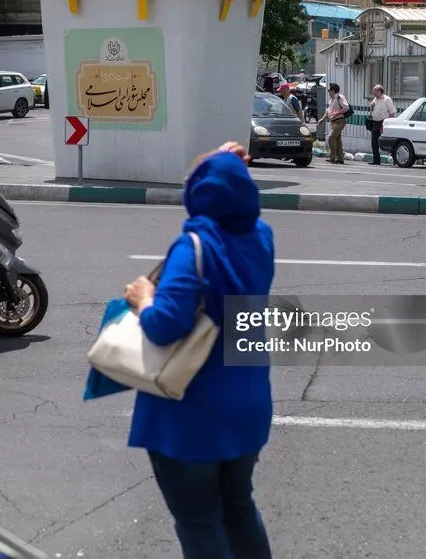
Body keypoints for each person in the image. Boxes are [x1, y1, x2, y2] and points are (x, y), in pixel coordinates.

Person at [123, 141, 275, 559]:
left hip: (193, 413)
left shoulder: (193, 246)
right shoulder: (261, 238)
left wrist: (143, 297)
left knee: (200, 521)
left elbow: (164, 325)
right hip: (247, 404)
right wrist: (221, 165)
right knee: (238, 508)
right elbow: (222, 189)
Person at [317, 82, 349, 164]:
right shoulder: (332, 99)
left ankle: (333, 157)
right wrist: (322, 119)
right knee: (337, 140)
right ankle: (340, 159)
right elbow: (328, 111)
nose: (328, 92)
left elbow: (346, 107)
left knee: (331, 137)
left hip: (339, 121)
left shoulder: (339, 97)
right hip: (334, 121)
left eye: (329, 90)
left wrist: (337, 113)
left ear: (333, 90)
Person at [368, 84, 397, 165]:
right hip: (375, 122)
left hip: (384, 123)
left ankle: (395, 159)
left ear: (379, 91)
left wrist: (388, 125)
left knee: (388, 142)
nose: (373, 93)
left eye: (374, 91)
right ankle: (376, 160)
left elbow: (392, 112)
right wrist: (371, 107)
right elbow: (373, 111)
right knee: (374, 142)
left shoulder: (387, 99)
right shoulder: (375, 99)